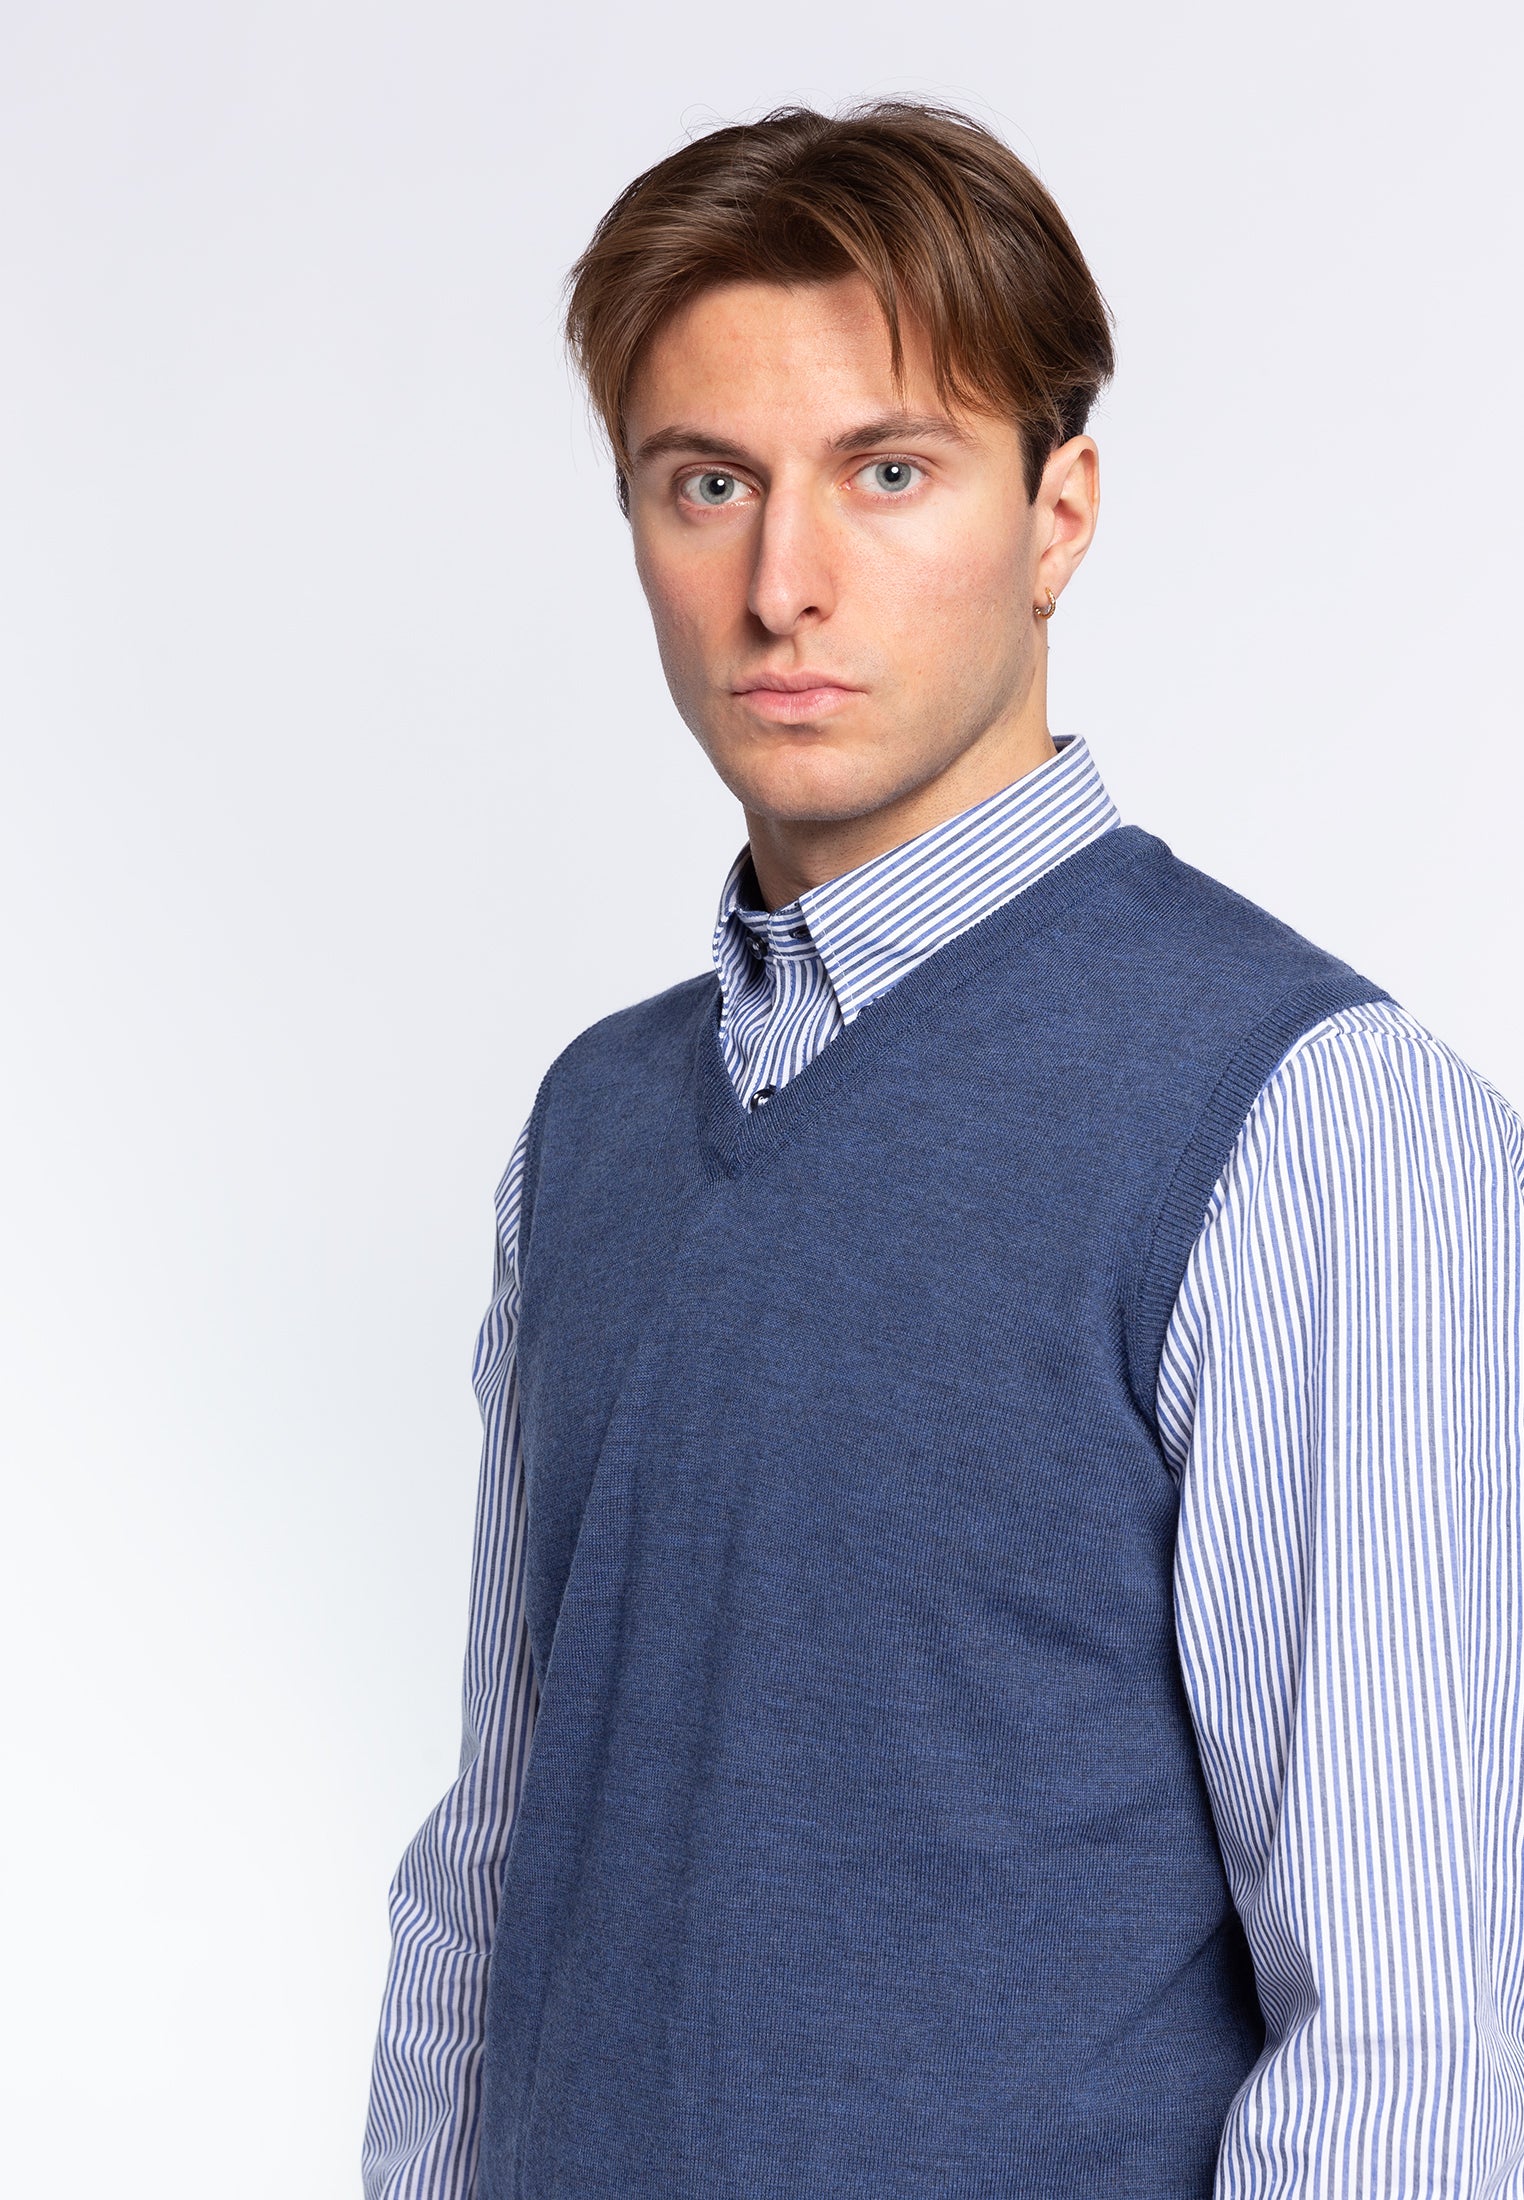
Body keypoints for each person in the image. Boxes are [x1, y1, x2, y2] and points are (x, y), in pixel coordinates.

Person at [362, 102, 1524, 2199]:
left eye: (888, 472)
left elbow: (1413, 2028)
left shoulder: (1311, 1117)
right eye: (707, 483)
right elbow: (500, 1862)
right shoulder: (593, 1132)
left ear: (1059, 513)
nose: (782, 584)